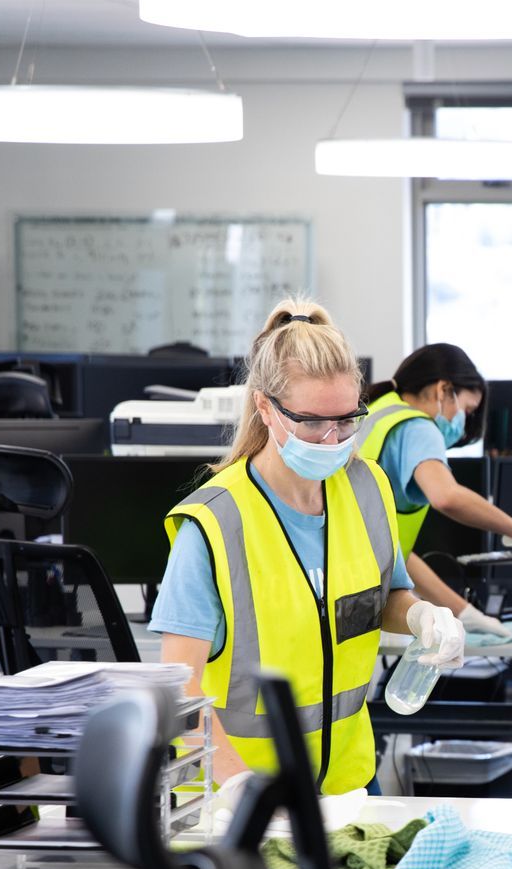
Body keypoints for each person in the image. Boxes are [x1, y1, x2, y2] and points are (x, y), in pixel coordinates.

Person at [152, 299, 466, 790]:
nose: (332, 439)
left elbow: (381, 600)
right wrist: (237, 787)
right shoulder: (215, 522)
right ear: (265, 409)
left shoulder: (367, 489)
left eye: (346, 420)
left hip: (346, 786)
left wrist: (423, 617)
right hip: (236, 800)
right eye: (313, 422)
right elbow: (177, 686)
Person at [356, 343, 512, 641]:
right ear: (443, 390)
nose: (463, 428)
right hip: (360, 595)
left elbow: (397, 553)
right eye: (467, 409)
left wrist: (465, 613)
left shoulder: (380, 412)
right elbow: (446, 496)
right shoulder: (417, 427)